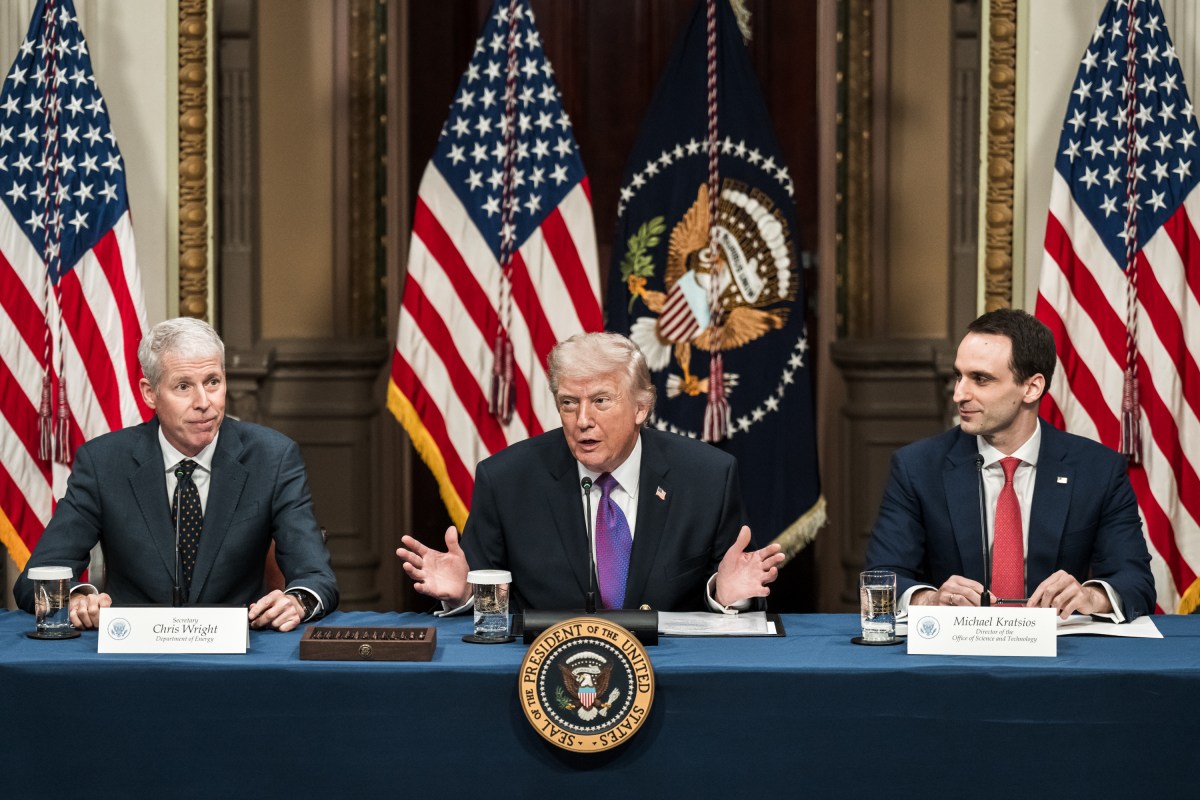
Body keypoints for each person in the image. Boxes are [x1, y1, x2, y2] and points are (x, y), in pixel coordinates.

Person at [396, 331, 784, 613]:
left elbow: (728, 587)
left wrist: (724, 592)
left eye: (601, 401)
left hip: (670, 672)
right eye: (569, 403)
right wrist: (464, 592)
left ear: (640, 408)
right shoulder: (507, 481)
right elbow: (493, 607)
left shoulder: (707, 477)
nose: (583, 420)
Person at [14, 317, 338, 631]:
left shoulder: (273, 458)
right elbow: (34, 581)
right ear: (149, 393)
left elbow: (316, 579)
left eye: (213, 382)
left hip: (239, 654)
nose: (204, 402)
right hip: (131, 657)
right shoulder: (103, 463)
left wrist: (298, 601)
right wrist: (77, 597)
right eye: (183, 386)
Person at [864, 308, 1156, 621]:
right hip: (957, 656)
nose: (960, 394)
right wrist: (930, 600)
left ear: (1031, 388)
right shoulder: (917, 468)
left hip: (1060, 657)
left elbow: (1136, 583)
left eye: (980, 379)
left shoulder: (1098, 470)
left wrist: (1090, 596)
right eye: (959, 376)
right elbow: (881, 580)